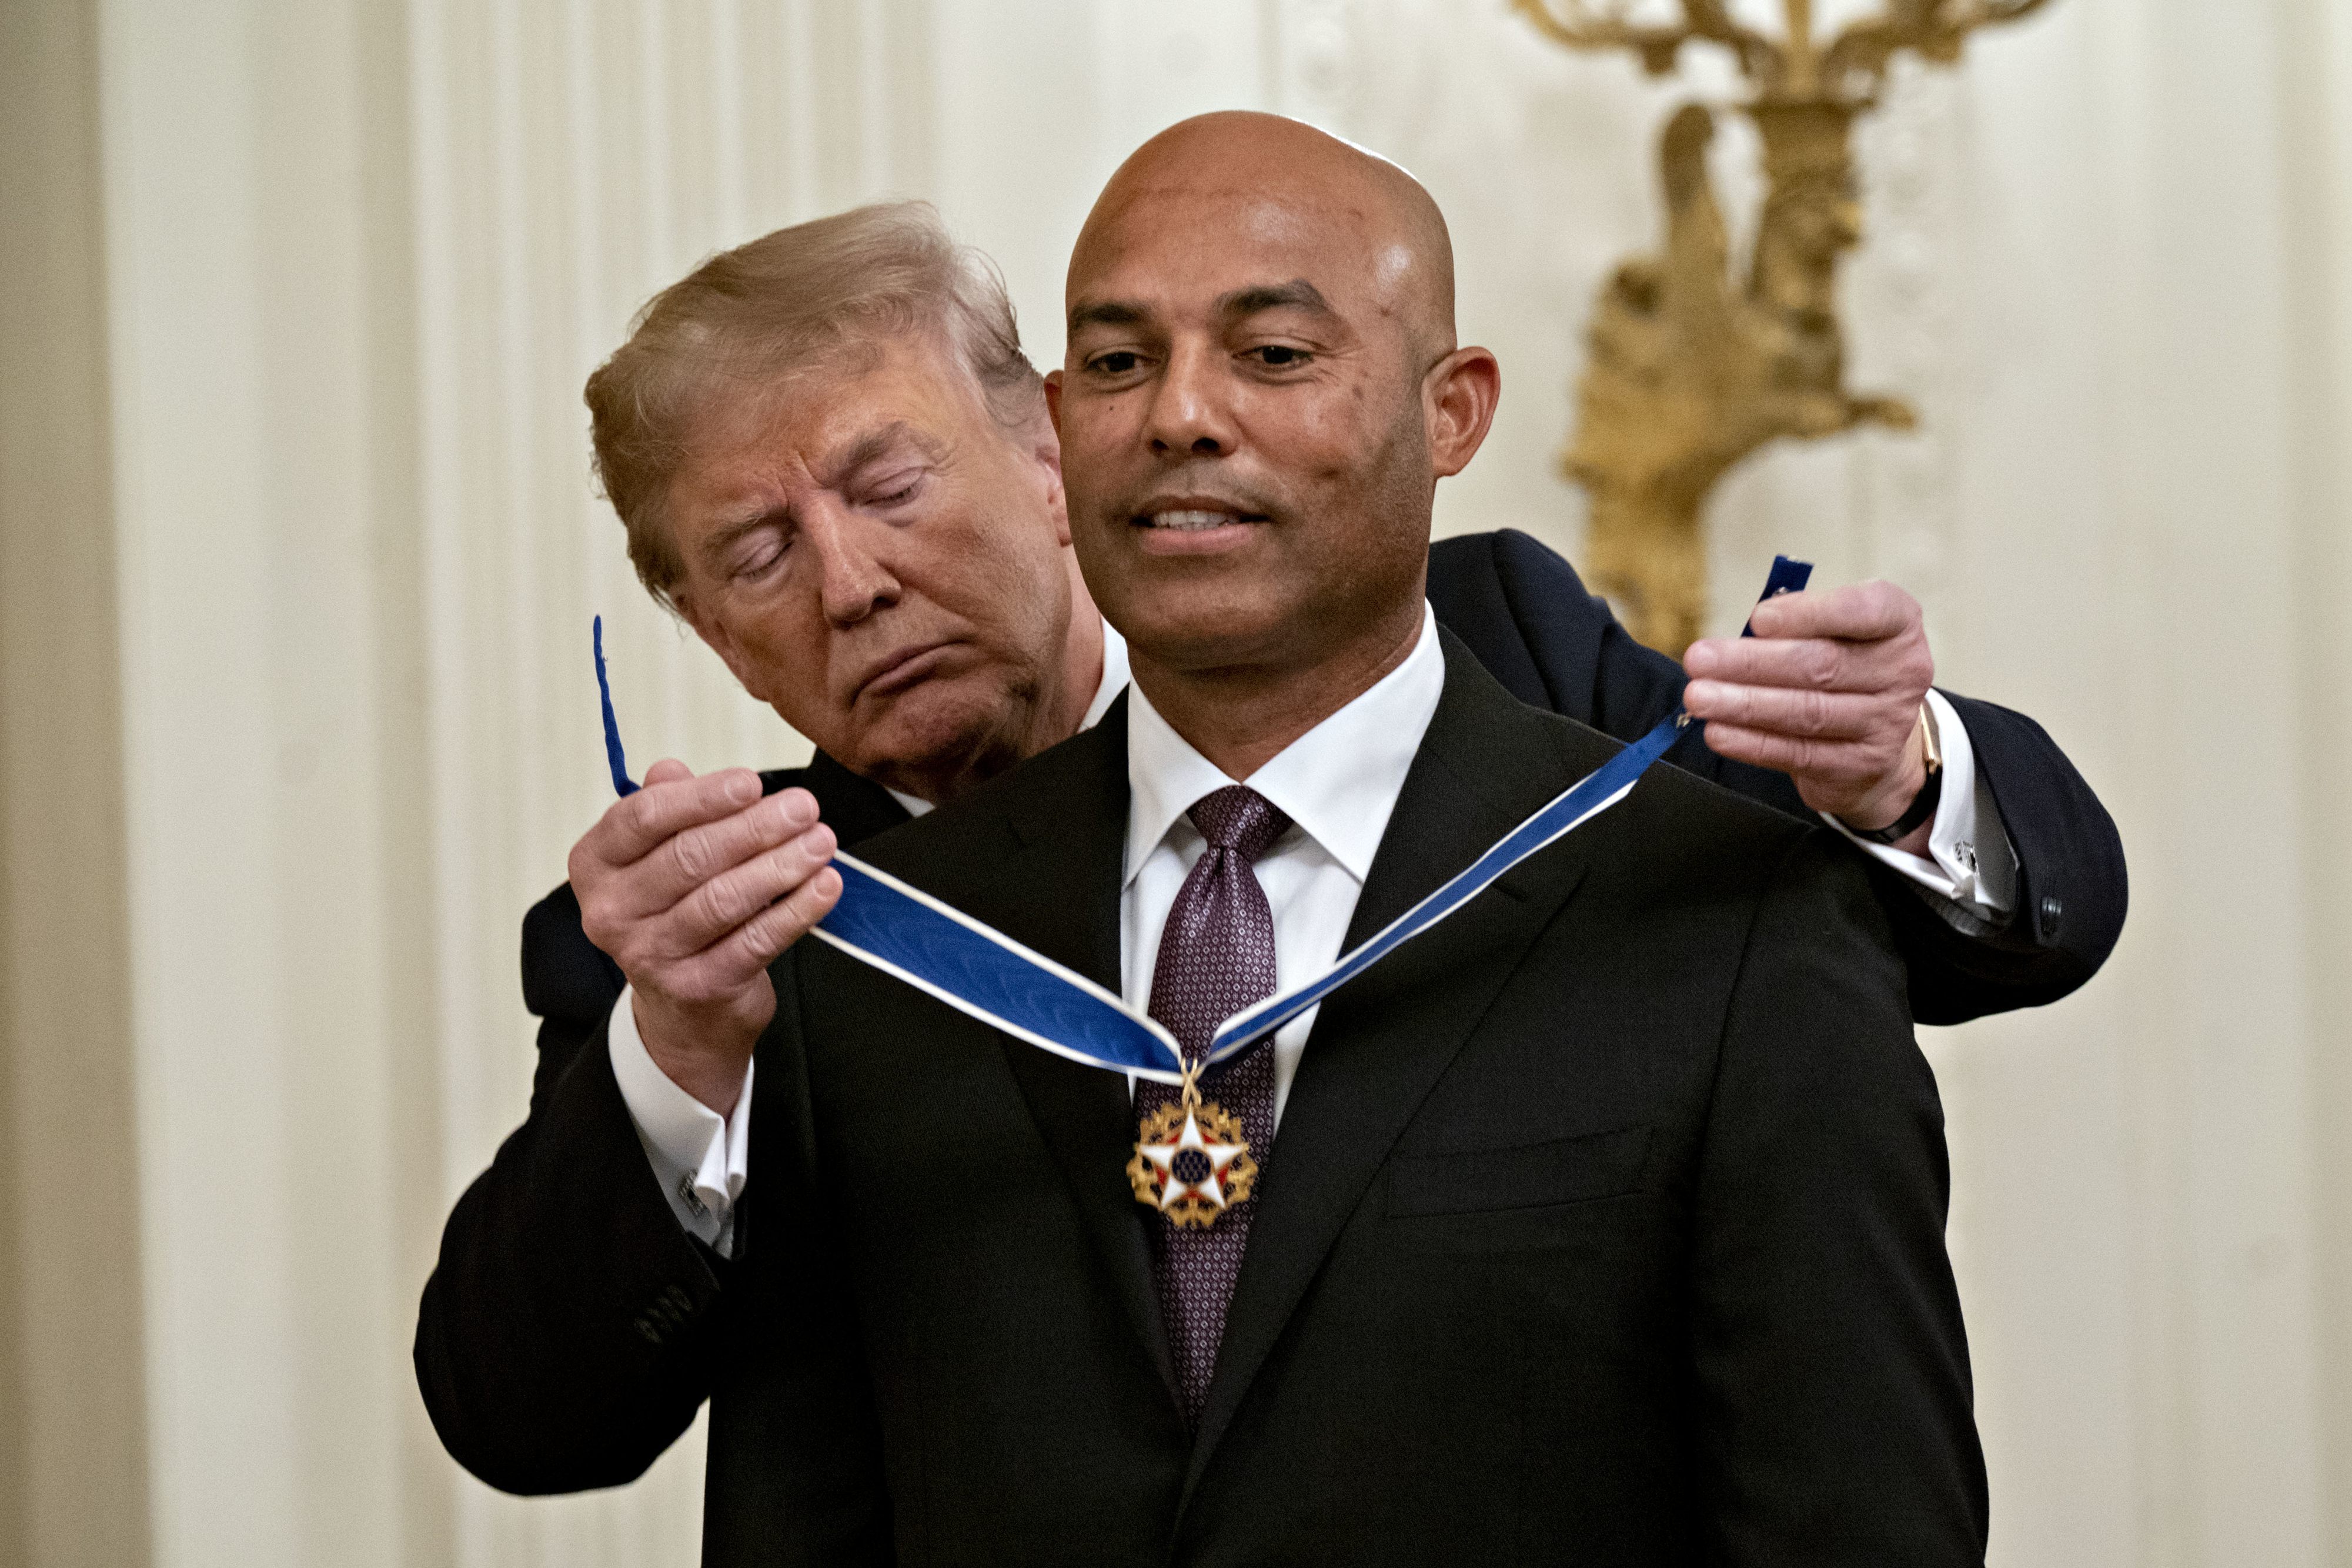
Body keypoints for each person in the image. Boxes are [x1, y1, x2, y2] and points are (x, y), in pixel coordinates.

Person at [420, 115, 2015, 1560]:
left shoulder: (1554, 703)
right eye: (756, 551)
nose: (850, 583)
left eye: (887, 485)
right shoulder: (777, 946)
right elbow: (547, 1416)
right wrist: (684, 1049)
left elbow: (1861, 898)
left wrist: (1908, 775)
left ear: (1041, 456)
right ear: (700, 624)